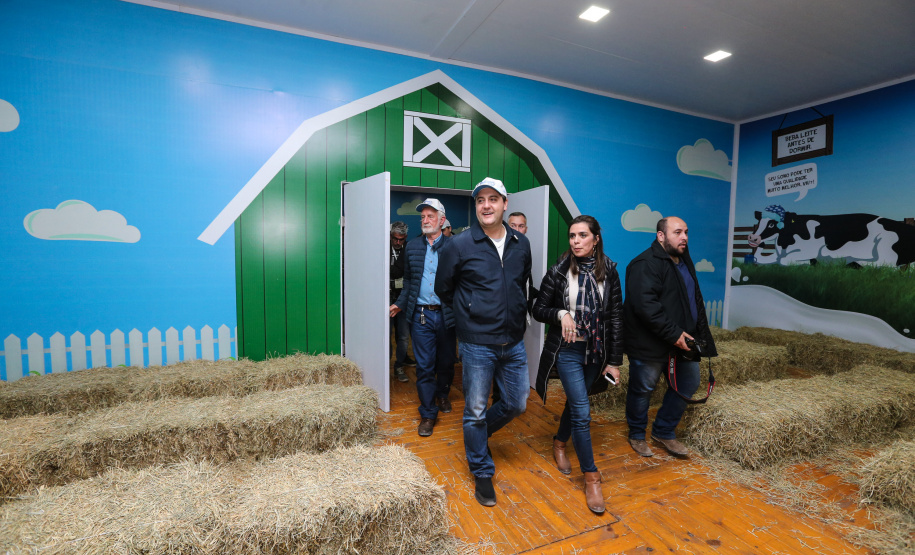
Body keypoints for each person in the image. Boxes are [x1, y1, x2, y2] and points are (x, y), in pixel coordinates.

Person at [436, 177, 532, 507]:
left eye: (493, 199)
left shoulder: (522, 243)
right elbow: (443, 289)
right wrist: (469, 314)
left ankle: (477, 437)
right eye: (480, 200)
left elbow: (521, 284)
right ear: (476, 206)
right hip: (477, 342)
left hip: (514, 341)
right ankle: (481, 469)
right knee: (475, 410)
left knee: (517, 402)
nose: (486, 205)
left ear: (505, 204)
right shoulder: (459, 245)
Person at [532, 215, 623, 514]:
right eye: (572, 236)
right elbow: (538, 308)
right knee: (583, 412)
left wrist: (614, 361)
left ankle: (559, 442)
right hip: (569, 351)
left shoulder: (609, 271)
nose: (575, 241)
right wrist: (561, 313)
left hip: (595, 352)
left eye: (582, 235)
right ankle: (592, 477)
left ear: (596, 239)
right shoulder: (559, 270)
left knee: (576, 403)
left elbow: (615, 319)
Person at [623, 216, 718, 457]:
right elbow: (646, 306)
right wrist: (675, 334)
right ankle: (636, 435)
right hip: (650, 343)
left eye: (686, 232)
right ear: (661, 236)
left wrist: (698, 335)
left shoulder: (684, 261)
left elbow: (692, 301)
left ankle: (664, 431)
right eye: (677, 232)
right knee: (642, 389)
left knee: (688, 383)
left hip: (682, 341)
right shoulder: (644, 263)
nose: (684, 237)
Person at [390, 199, 457, 437]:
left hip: (448, 316)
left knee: (446, 363)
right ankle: (428, 413)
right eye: (423, 217)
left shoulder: (454, 245)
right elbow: (409, 282)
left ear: (442, 219)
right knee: (425, 367)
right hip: (421, 316)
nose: (425, 220)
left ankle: (442, 395)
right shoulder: (413, 247)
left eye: (430, 216)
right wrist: (399, 304)